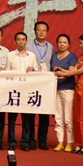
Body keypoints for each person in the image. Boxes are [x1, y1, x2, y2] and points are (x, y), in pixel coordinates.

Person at [55, 33, 83, 154]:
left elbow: (78, 71)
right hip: (78, 87)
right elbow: (74, 70)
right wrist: (62, 70)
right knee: (78, 117)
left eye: (81, 43)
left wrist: (62, 74)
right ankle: (79, 143)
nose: (79, 45)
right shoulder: (81, 56)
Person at [25, 21, 56, 150]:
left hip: (46, 84)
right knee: (30, 114)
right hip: (32, 82)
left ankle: (42, 141)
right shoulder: (28, 45)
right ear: (35, 31)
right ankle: (31, 140)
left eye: (44, 30)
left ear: (47, 32)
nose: (41, 32)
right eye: (39, 30)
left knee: (44, 114)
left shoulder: (51, 47)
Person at [6, 32, 38, 151]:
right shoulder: (10, 55)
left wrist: (33, 69)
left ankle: (25, 141)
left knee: (26, 119)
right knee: (11, 119)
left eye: (23, 39)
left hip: (27, 91)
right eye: (18, 39)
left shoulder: (32, 56)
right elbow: (7, 73)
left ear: (26, 41)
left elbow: (37, 72)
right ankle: (11, 142)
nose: (21, 42)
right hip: (13, 91)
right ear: (15, 41)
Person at [51, 34, 78, 152]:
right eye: (60, 42)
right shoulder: (54, 55)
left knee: (68, 118)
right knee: (58, 117)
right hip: (55, 89)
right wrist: (57, 74)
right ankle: (60, 142)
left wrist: (59, 73)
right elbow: (51, 71)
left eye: (64, 42)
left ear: (69, 45)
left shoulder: (72, 57)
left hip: (68, 90)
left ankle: (70, 143)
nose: (62, 44)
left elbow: (71, 73)